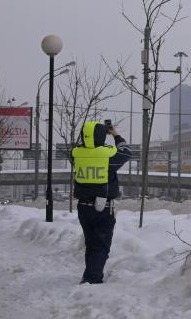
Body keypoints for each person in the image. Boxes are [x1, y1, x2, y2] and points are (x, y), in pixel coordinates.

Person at [72, 121, 133, 285]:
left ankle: (90, 274)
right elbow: (127, 152)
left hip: (83, 208)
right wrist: (115, 135)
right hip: (103, 208)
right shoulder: (108, 156)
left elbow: (84, 146)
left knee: (91, 243)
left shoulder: (76, 154)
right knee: (101, 245)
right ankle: (92, 279)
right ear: (100, 136)